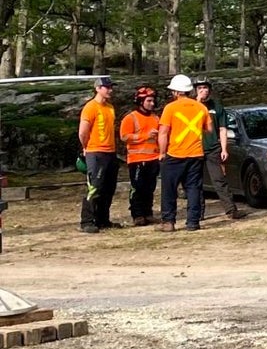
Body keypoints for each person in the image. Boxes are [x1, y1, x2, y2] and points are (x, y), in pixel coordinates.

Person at [157, 74, 210, 232]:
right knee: (193, 188)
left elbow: (163, 133)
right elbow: (209, 129)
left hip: (175, 154)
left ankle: (168, 222)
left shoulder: (170, 108)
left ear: (175, 92)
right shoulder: (201, 107)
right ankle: (193, 222)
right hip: (195, 154)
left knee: (169, 189)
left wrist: (162, 152)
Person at [194, 78, 241, 220]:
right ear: (196, 90)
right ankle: (197, 213)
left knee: (219, 180)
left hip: (213, 148)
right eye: (200, 88)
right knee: (195, 182)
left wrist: (224, 149)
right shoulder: (191, 106)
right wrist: (197, 101)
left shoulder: (217, 107)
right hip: (194, 149)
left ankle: (231, 210)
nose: (204, 90)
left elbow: (222, 129)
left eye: (206, 87)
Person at [77, 75, 119, 233]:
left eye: (111, 87)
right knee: (95, 187)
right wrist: (86, 147)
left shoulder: (109, 107)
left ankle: (103, 219)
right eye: (107, 87)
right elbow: (83, 132)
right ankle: (87, 220)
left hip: (110, 152)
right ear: (97, 89)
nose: (110, 90)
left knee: (109, 187)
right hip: (96, 151)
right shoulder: (90, 107)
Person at [119, 84, 162, 225]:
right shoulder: (130, 118)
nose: (152, 103)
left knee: (150, 188)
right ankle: (137, 215)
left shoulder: (156, 118)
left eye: (152, 101)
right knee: (137, 187)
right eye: (149, 101)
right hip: (136, 159)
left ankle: (148, 213)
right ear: (141, 101)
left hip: (153, 159)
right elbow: (124, 136)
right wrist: (144, 136)